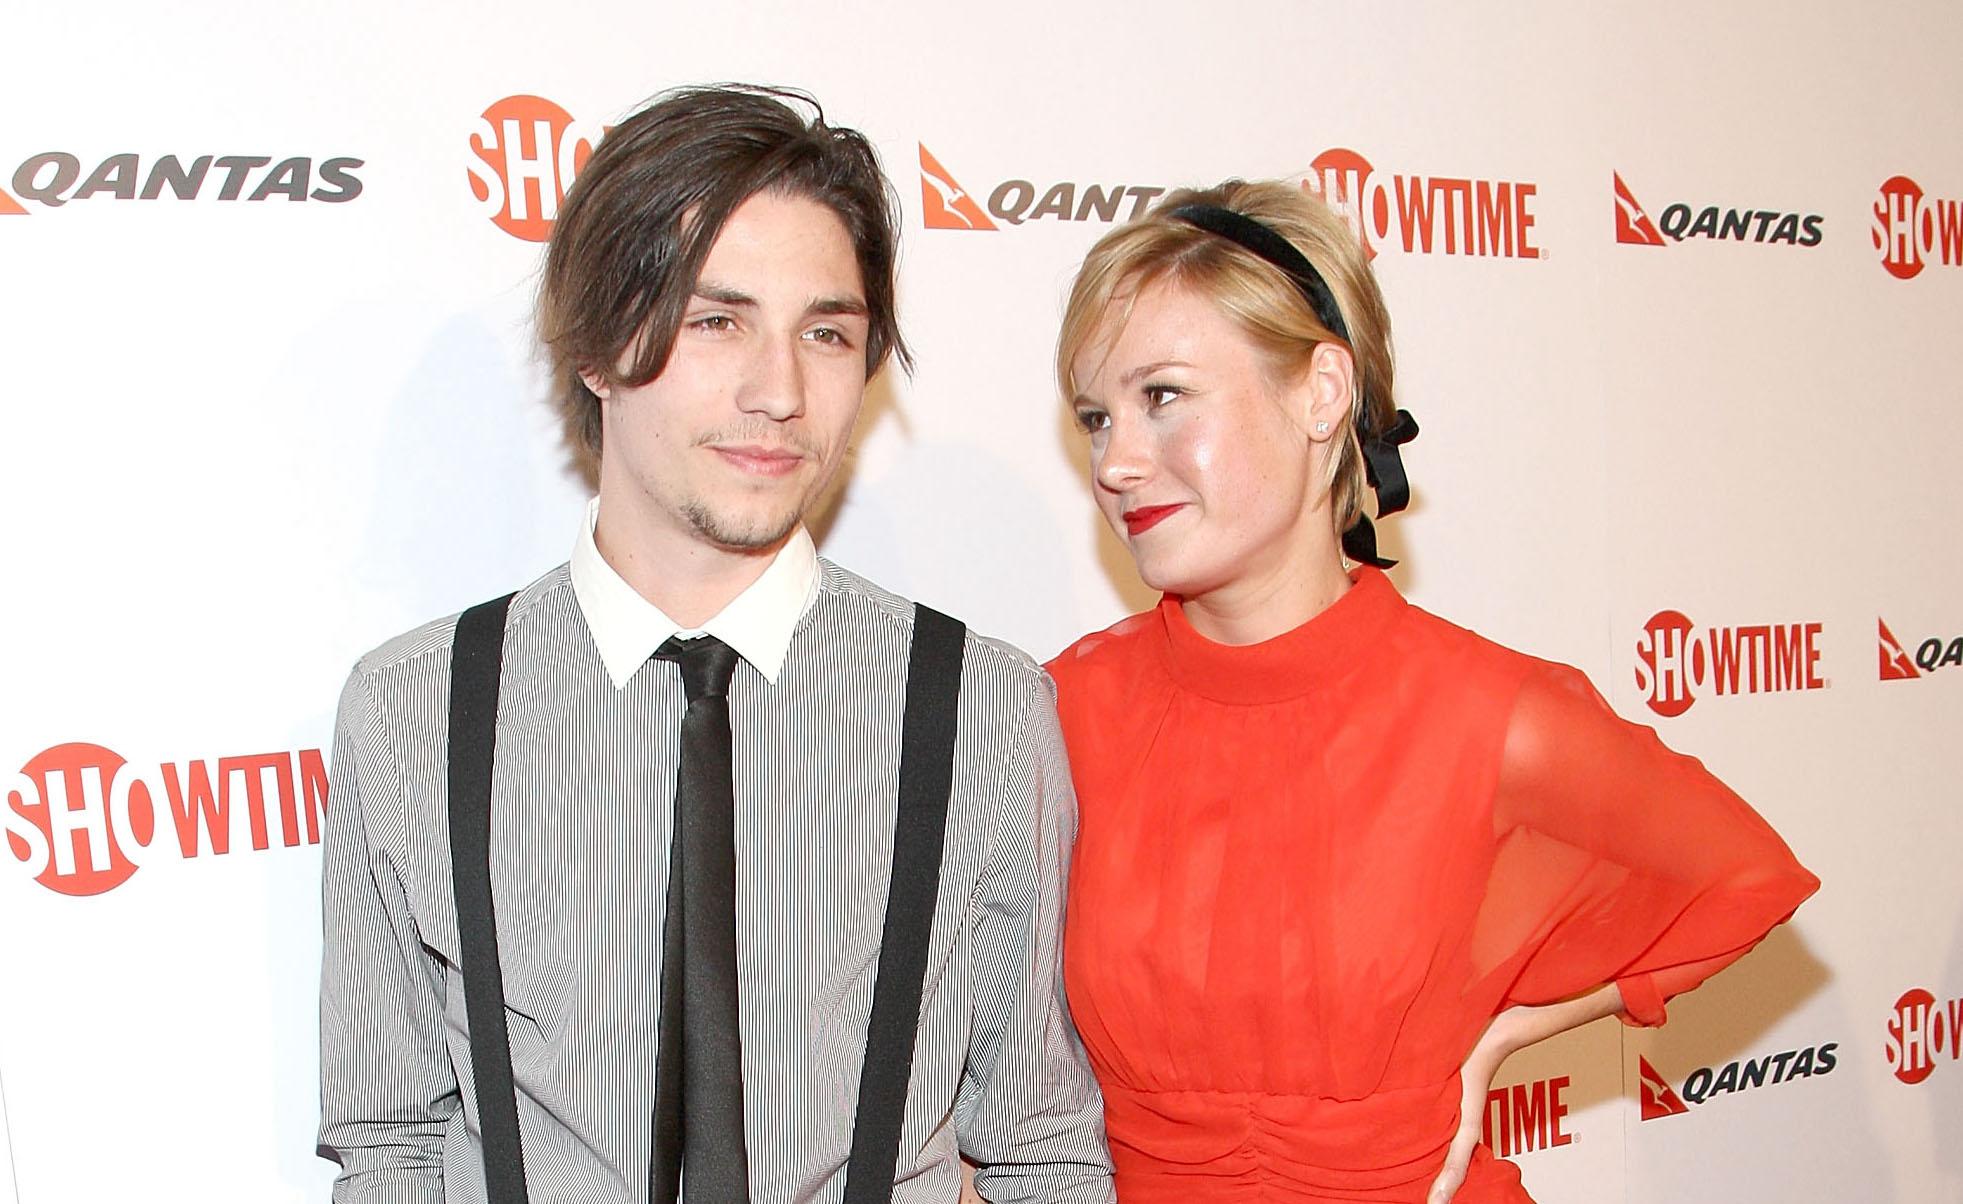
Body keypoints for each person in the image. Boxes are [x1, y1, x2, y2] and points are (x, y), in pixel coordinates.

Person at [317, 85, 1114, 1204]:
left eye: (826, 332)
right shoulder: (415, 715)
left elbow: (1040, 1149)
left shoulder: (981, 709)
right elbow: (388, 1145)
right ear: (597, 348)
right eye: (715, 320)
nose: (779, 391)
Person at [1046, 180, 1818, 1204]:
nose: (1117, 462)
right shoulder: (1061, 708)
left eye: (1163, 397)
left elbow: (1741, 879)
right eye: (1097, 417)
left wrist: (1501, 1032)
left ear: (1321, 392)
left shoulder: (1486, 713)